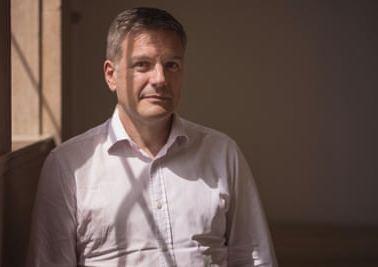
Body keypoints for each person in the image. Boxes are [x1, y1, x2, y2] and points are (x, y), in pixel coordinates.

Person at [27, 7, 277, 267]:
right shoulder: (69, 166)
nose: (160, 79)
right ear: (111, 75)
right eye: (142, 65)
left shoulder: (223, 154)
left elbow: (255, 259)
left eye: (171, 65)